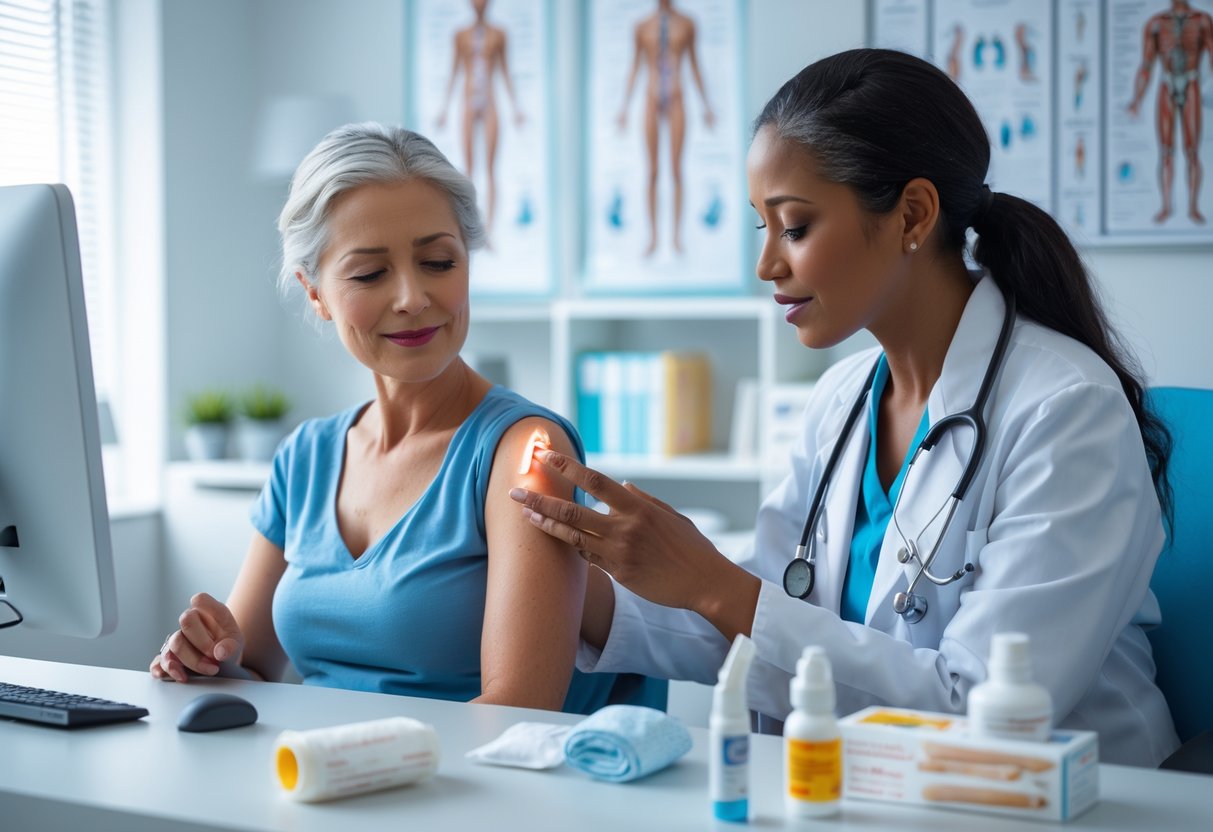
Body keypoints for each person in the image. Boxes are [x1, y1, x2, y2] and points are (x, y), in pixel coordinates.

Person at [510, 49, 1180, 767]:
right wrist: (569, 581)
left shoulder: (1065, 411)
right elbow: (762, 619)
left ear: (912, 214)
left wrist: (709, 580)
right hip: (870, 791)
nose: (766, 264)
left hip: (1071, 800)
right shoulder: (842, 398)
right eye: (758, 228)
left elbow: (980, 706)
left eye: (794, 227)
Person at [151, 123, 637, 715]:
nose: (411, 296)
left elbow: (517, 709)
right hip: (321, 779)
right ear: (315, 292)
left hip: (460, 790)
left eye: (438, 261)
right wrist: (204, 659)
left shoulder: (525, 451)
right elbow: (251, 665)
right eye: (369, 274)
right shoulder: (303, 458)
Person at [617, 0, 715, 256]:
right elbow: (634, 67)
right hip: (650, 98)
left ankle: (676, 237)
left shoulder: (687, 24)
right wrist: (624, 107)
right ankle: (653, 237)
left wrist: (706, 104)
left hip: (677, 98)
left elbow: (695, 64)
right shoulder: (642, 27)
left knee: (675, 169)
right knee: (652, 170)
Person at [435, 0, 524, 239]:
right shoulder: (460, 35)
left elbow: (505, 71)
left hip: (490, 103)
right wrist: (444, 108)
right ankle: (470, 229)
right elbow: (453, 72)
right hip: (467, 102)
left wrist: (516, 107)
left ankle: (490, 231)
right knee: (469, 169)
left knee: (491, 169)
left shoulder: (499, 34)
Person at [1127, 0, 1213, 224]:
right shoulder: (1156, 23)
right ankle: (1166, 206)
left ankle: (1193, 207)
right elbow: (1146, 65)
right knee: (1166, 150)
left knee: (1192, 150)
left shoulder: (1202, 20)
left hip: (1192, 82)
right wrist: (1136, 99)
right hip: (1166, 84)